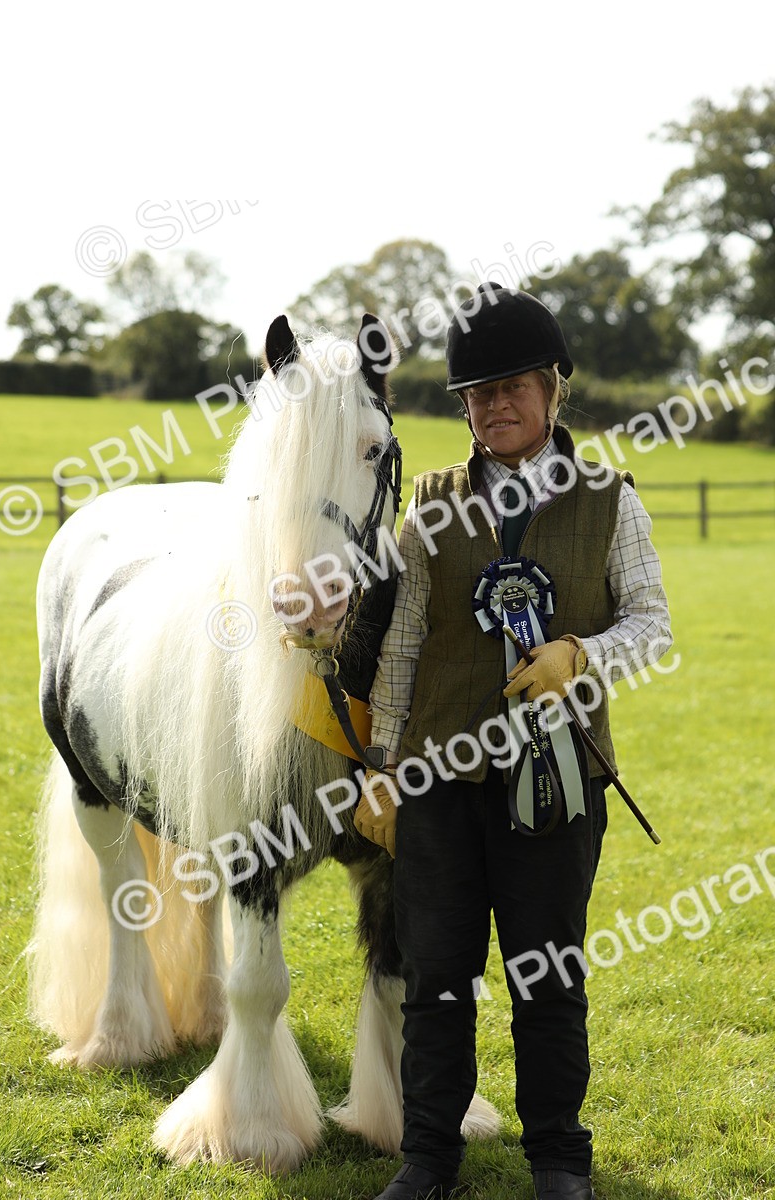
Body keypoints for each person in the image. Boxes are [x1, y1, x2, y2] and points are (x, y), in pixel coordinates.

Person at [355, 283, 673, 1200]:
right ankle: (428, 1158)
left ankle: (559, 1163)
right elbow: (406, 641)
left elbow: (653, 624)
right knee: (436, 982)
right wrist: (380, 762)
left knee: (547, 979)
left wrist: (581, 651)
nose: (495, 406)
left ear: (553, 390)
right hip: (439, 786)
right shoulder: (430, 505)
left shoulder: (613, 499)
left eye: (513, 387)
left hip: (561, 784)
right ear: (462, 406)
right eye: (477, 394)